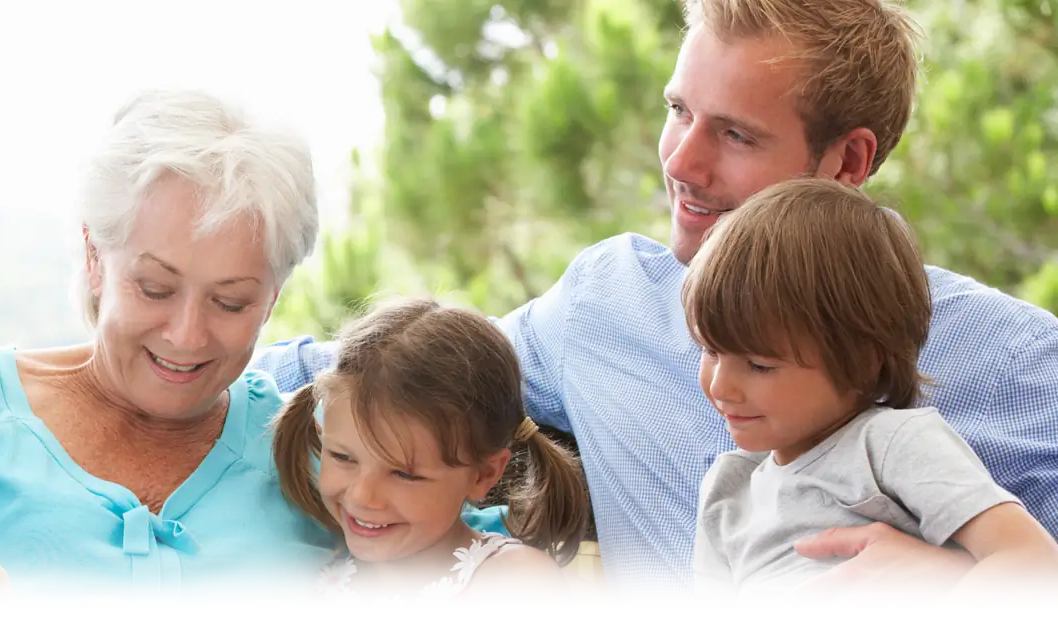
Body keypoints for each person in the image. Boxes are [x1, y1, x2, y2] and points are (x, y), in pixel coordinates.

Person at [251, 0, 1058, 610]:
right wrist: (152, 351)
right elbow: (379, 370)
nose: (681, 160)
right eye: (678, 111)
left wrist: (961, 580)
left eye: (736, 135)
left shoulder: (1016, 357)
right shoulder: (607, 302)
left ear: (848, 159)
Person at [0, 89, 343, 611]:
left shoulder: (317, 443)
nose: (187, 335)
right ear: (94, 256)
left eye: (231, 301)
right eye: (155, 288)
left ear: (272, 299)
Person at [686, 179, 1058, 611]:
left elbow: (1034, 563)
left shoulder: (893, 443)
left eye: (760, 365)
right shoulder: (727, 487)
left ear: (864, 361)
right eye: (710, 350)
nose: (719, 386)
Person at [275, 297, 588, 614]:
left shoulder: (515, 586)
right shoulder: (302, 584)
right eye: (343, 457)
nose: (361, 496)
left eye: (404, 474)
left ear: (483, 475)